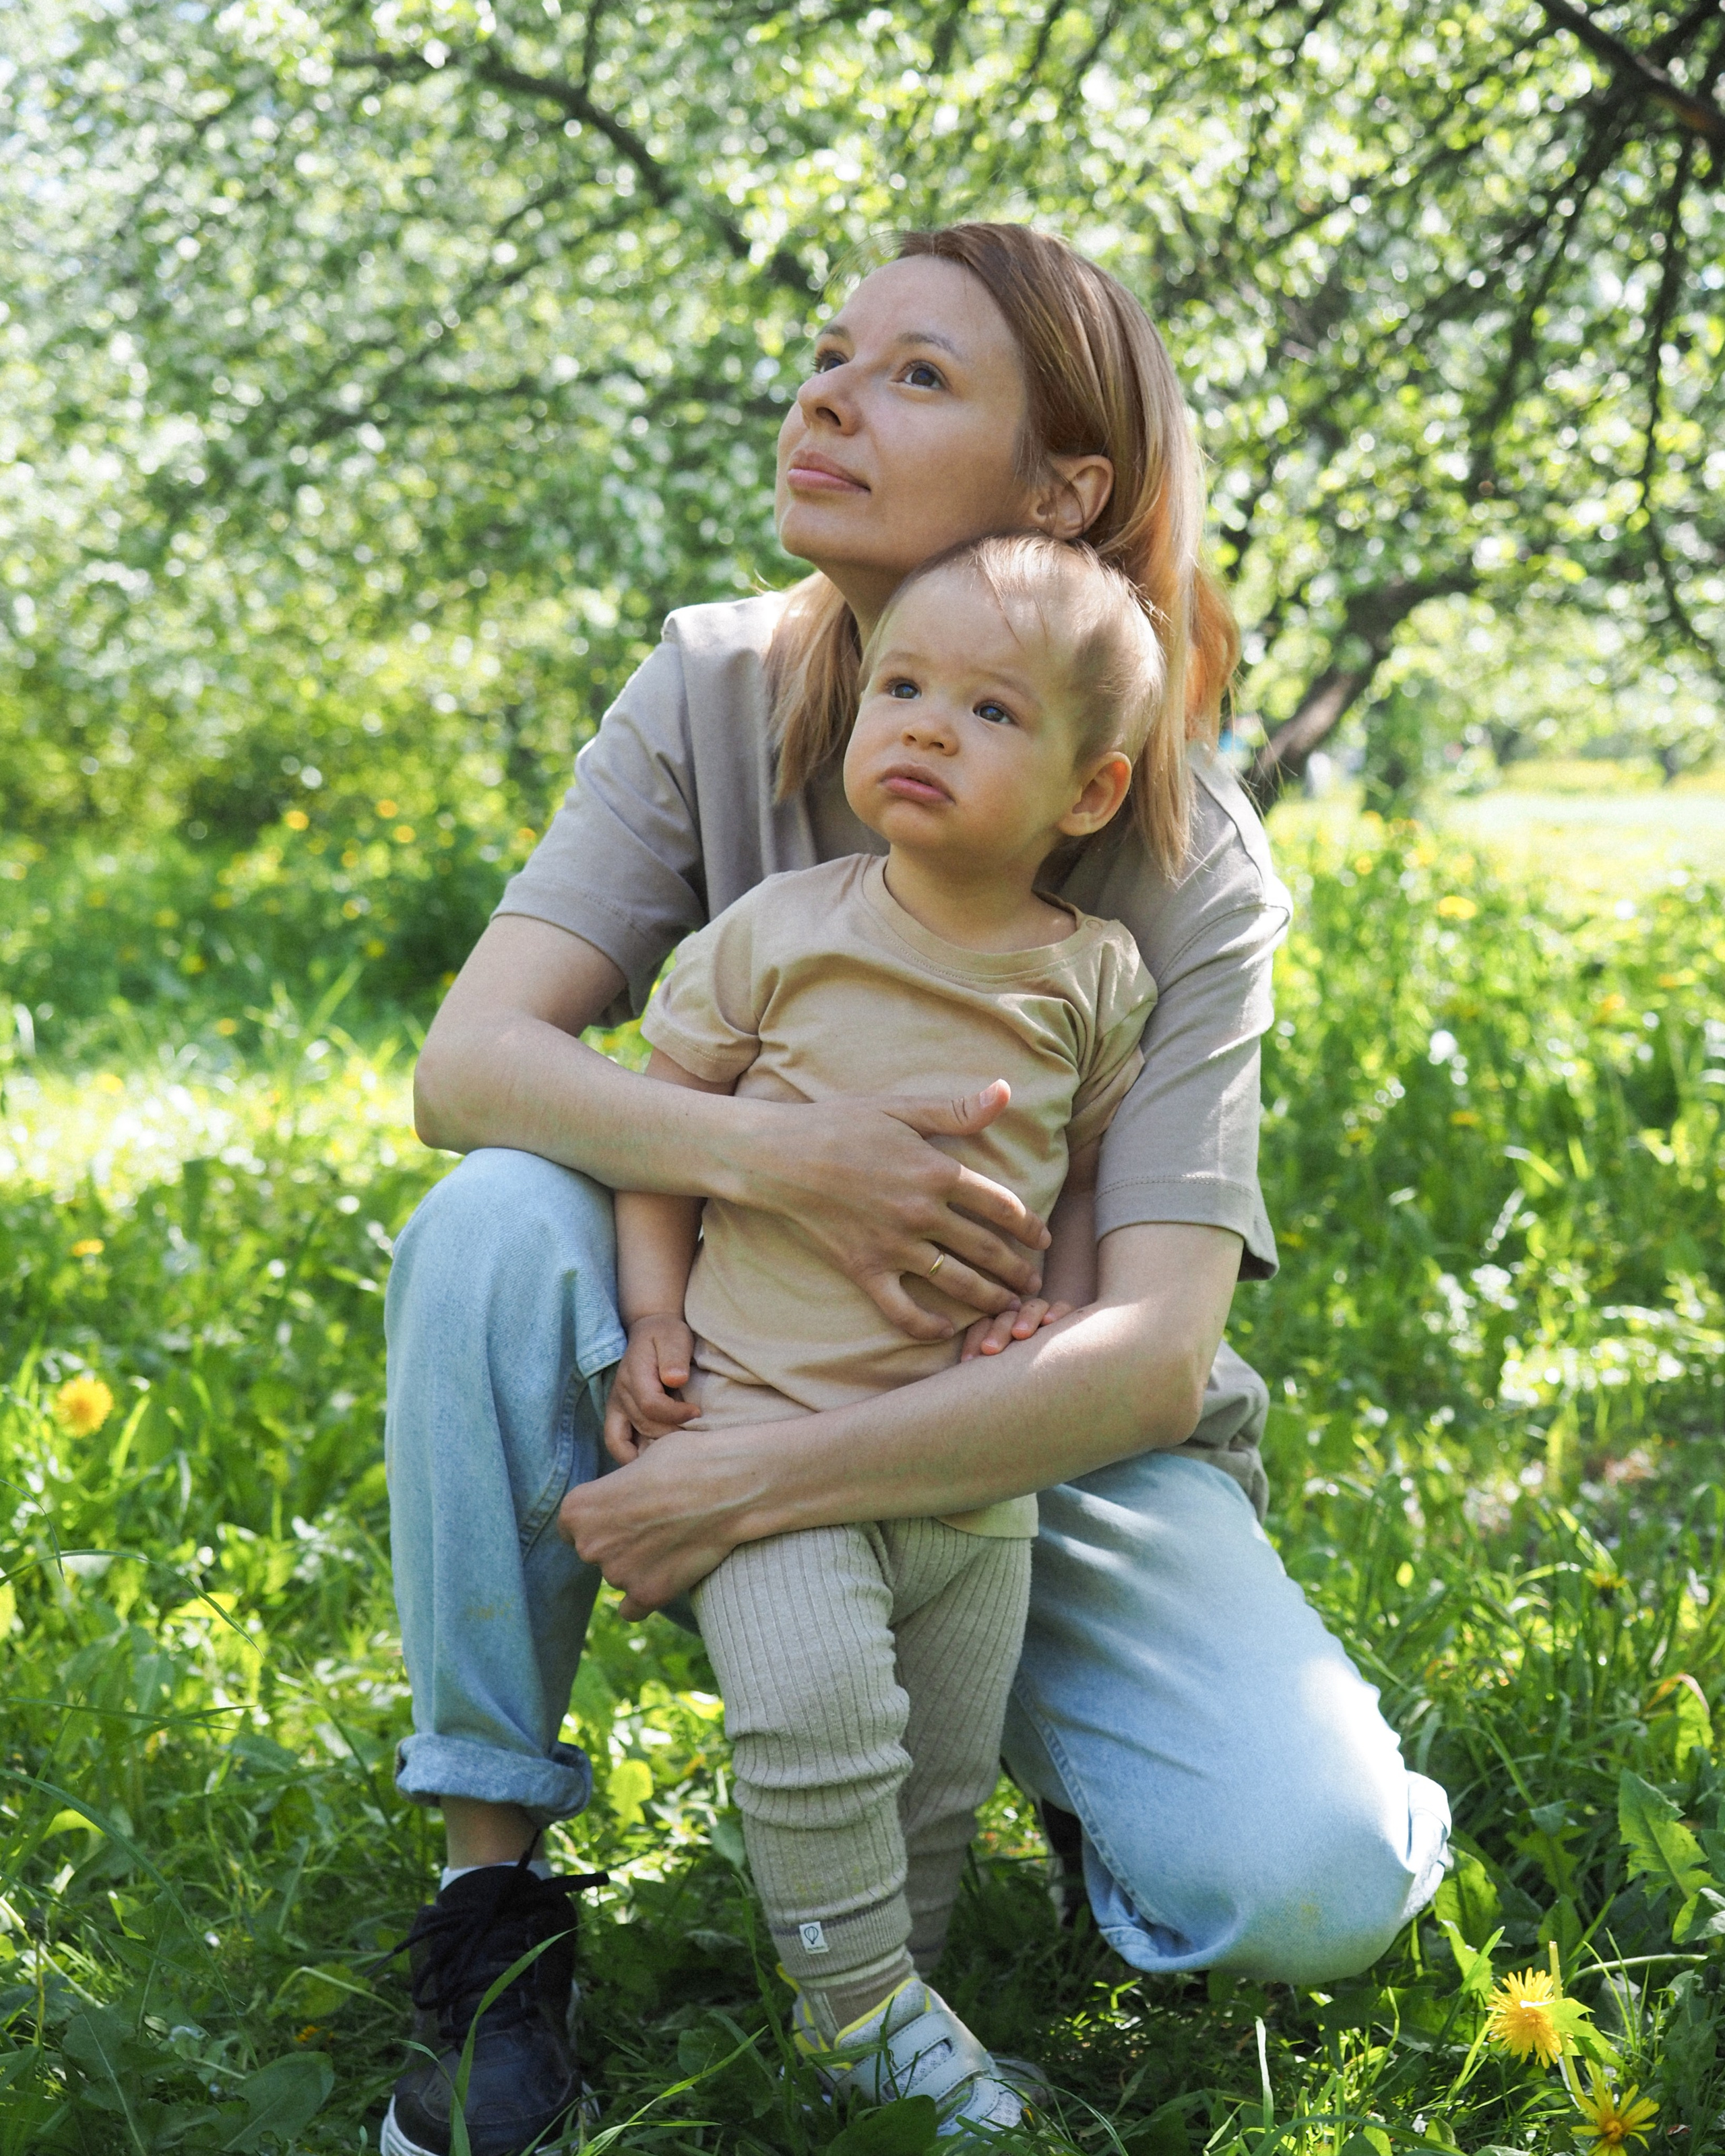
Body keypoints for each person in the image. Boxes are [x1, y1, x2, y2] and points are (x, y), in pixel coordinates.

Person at [381, 223, 1452, 2156]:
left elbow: (1144, 1354)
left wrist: (749, 1485)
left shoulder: (1184, 862)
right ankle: (492, 1903)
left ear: (1066, 491)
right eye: (826, 353)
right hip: (731, 1346)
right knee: (486, 1223)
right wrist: (789, 1167)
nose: (824, 396)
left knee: (1316, 1878)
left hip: (1030, 1441)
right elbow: (474, 1067)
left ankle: (1040, 1792)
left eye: (916, 377)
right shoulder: (708, 685)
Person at [607, 532, 1161, 2135]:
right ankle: (854, 2006)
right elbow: (660, 1125)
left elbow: (1077, 1170)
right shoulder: (781, 931)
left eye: (988, 710)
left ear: (1088, 794)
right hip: (759, 1428)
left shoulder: (1093, 975)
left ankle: (886, 2000)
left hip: (965, 1463)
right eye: (901, 688)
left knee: (935, 1766)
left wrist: (1050, 1306)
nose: (920, 724)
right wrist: (653, 1310)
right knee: (813, 1718)